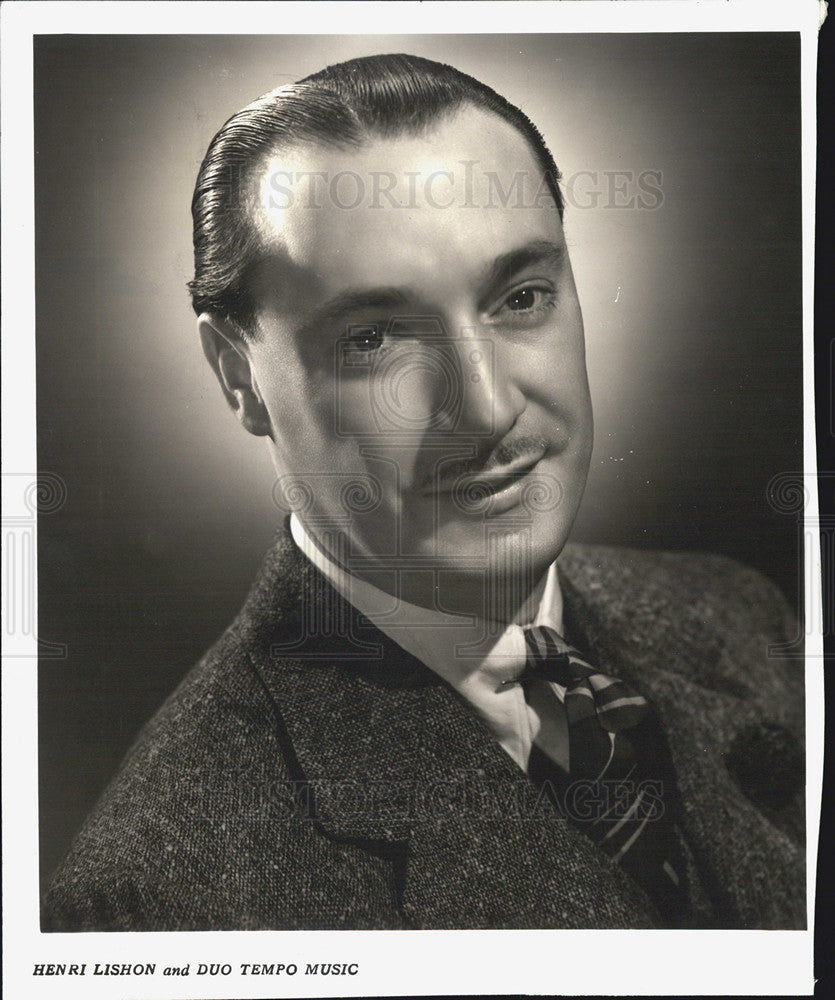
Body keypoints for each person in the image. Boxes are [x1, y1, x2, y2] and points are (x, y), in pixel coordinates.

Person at [42, 53, 805, 931]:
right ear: (240, 379)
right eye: (372, 339)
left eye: (521, 297)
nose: (484, 408)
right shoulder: (161, 897)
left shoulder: (737, 617)